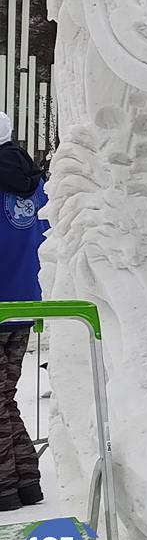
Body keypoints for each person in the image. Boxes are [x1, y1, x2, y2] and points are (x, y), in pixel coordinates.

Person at [0, 111, 47, 509]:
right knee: (4, 396)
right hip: (25, 300)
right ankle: (27, 483)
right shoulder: (34, 183)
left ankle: (4, 491)